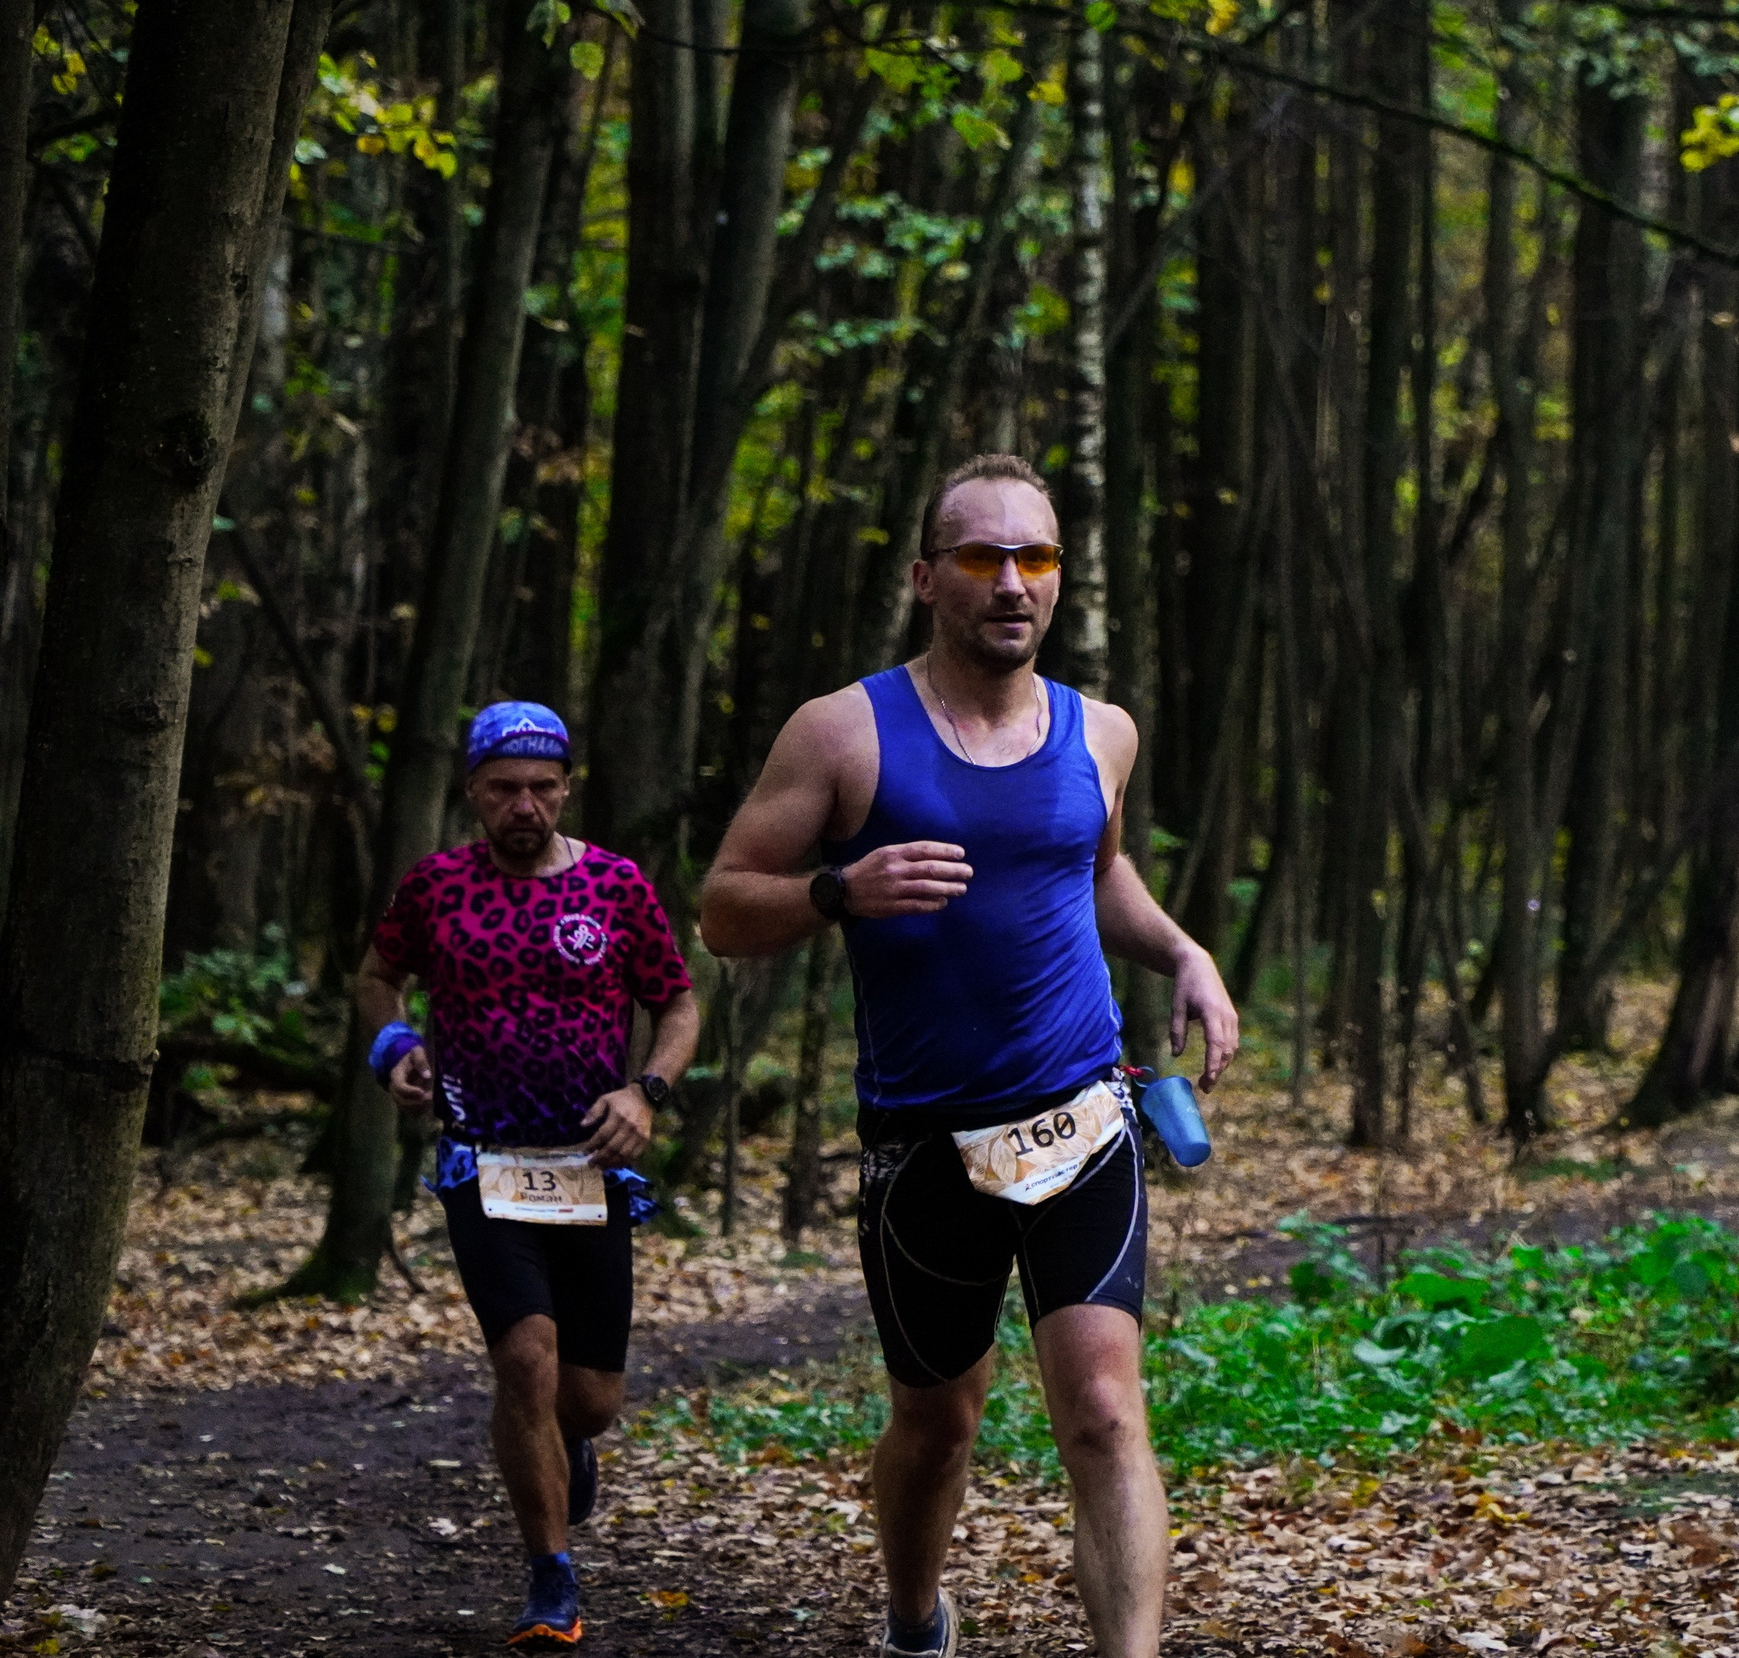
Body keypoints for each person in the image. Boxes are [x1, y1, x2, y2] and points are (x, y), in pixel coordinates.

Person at [698, 452, 1240, 1658]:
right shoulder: (843, 734)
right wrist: (840, 890)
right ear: (926, 577)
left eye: (1036, 557)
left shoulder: (1100, 732)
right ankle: (911, 1619)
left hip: (1082, 1119)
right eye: (984, 557)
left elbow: (1094, 873)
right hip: (925, 1146)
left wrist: (1185, 954)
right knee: (936, 1425)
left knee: (1102, 1411)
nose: (1013, 582)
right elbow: (724, 910)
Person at [361, 701, 701, 1649]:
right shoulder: (434, 887)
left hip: (589, 1167)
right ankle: (551, 1573)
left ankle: (568, 1442)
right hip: (483, 1161)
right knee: (524, 1359)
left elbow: (676, 1003)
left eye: (542, 788)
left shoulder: (617, 887)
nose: (525, 806)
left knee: (587, 1398)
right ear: (473, 789)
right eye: (505, 788)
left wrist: (648, 1092)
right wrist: (393, 1046)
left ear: (565, 789)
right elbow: (376, 976)